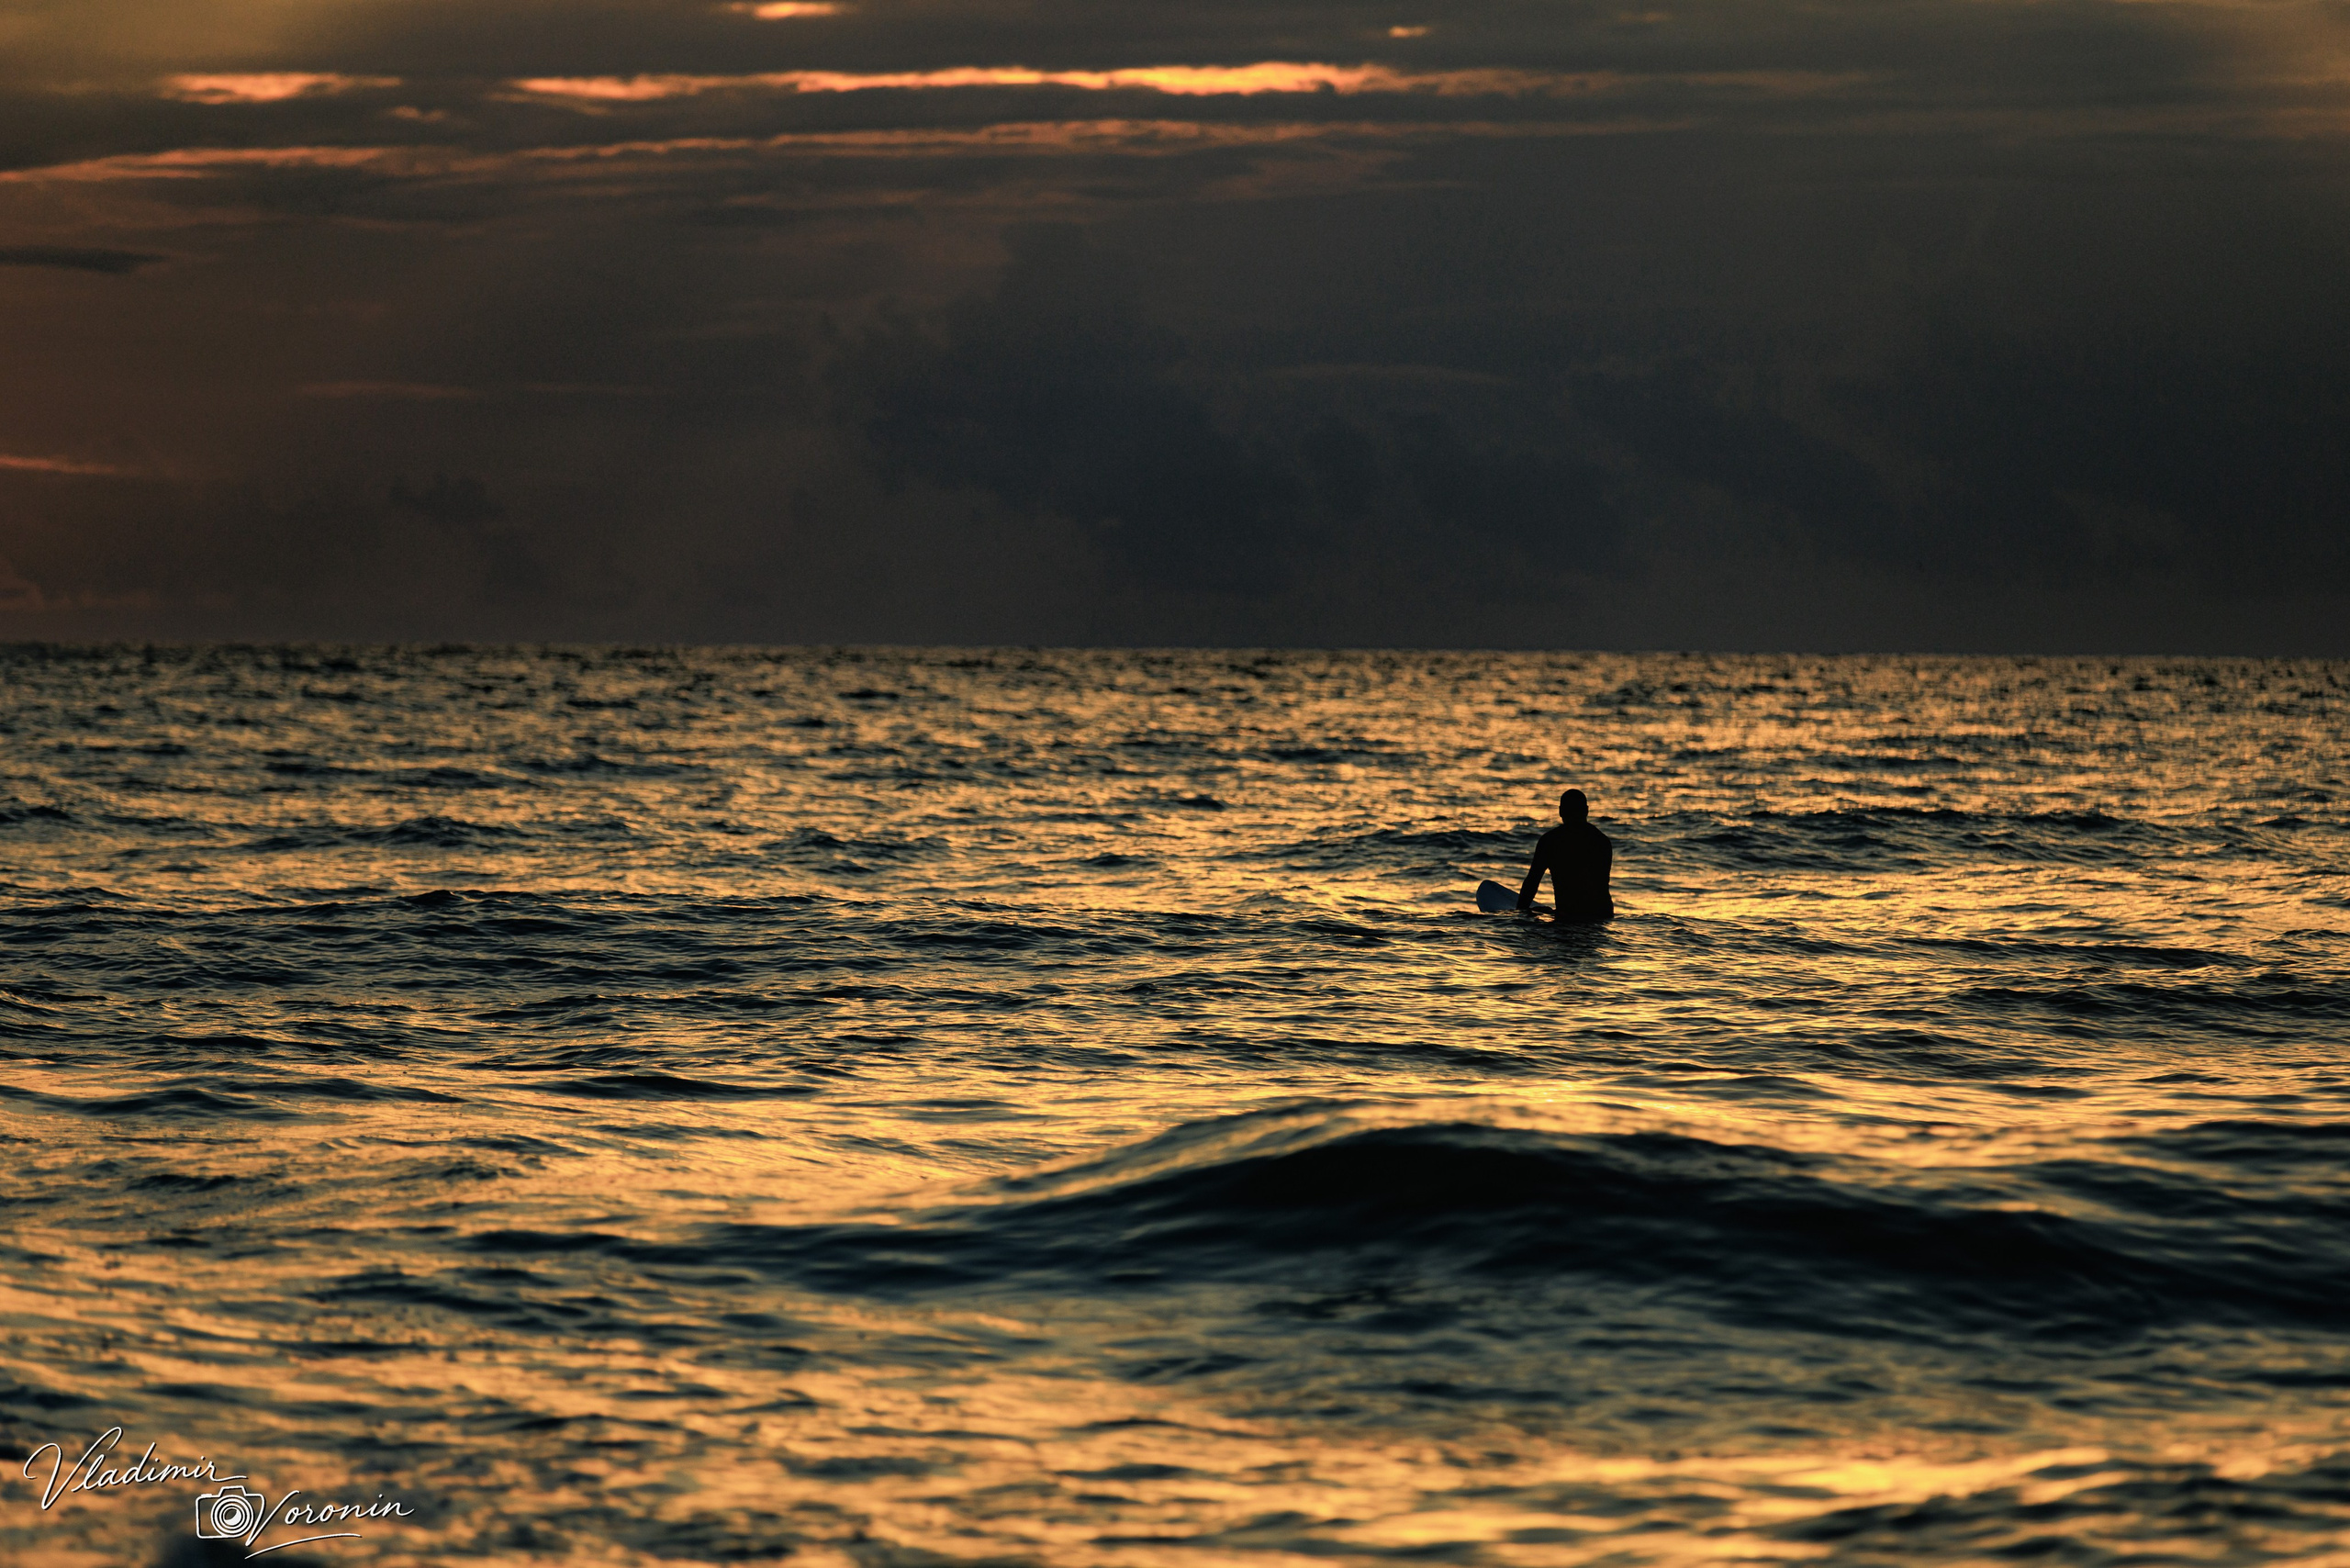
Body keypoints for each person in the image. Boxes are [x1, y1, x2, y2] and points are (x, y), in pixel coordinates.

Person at [1519, 788, 1613, 921]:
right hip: (1602, 918)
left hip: (1567, 916)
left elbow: (1532, 882)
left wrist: (1519, 914)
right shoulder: (1602, 841)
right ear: (1586, 810)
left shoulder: (1550, 840)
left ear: (1560, 811)